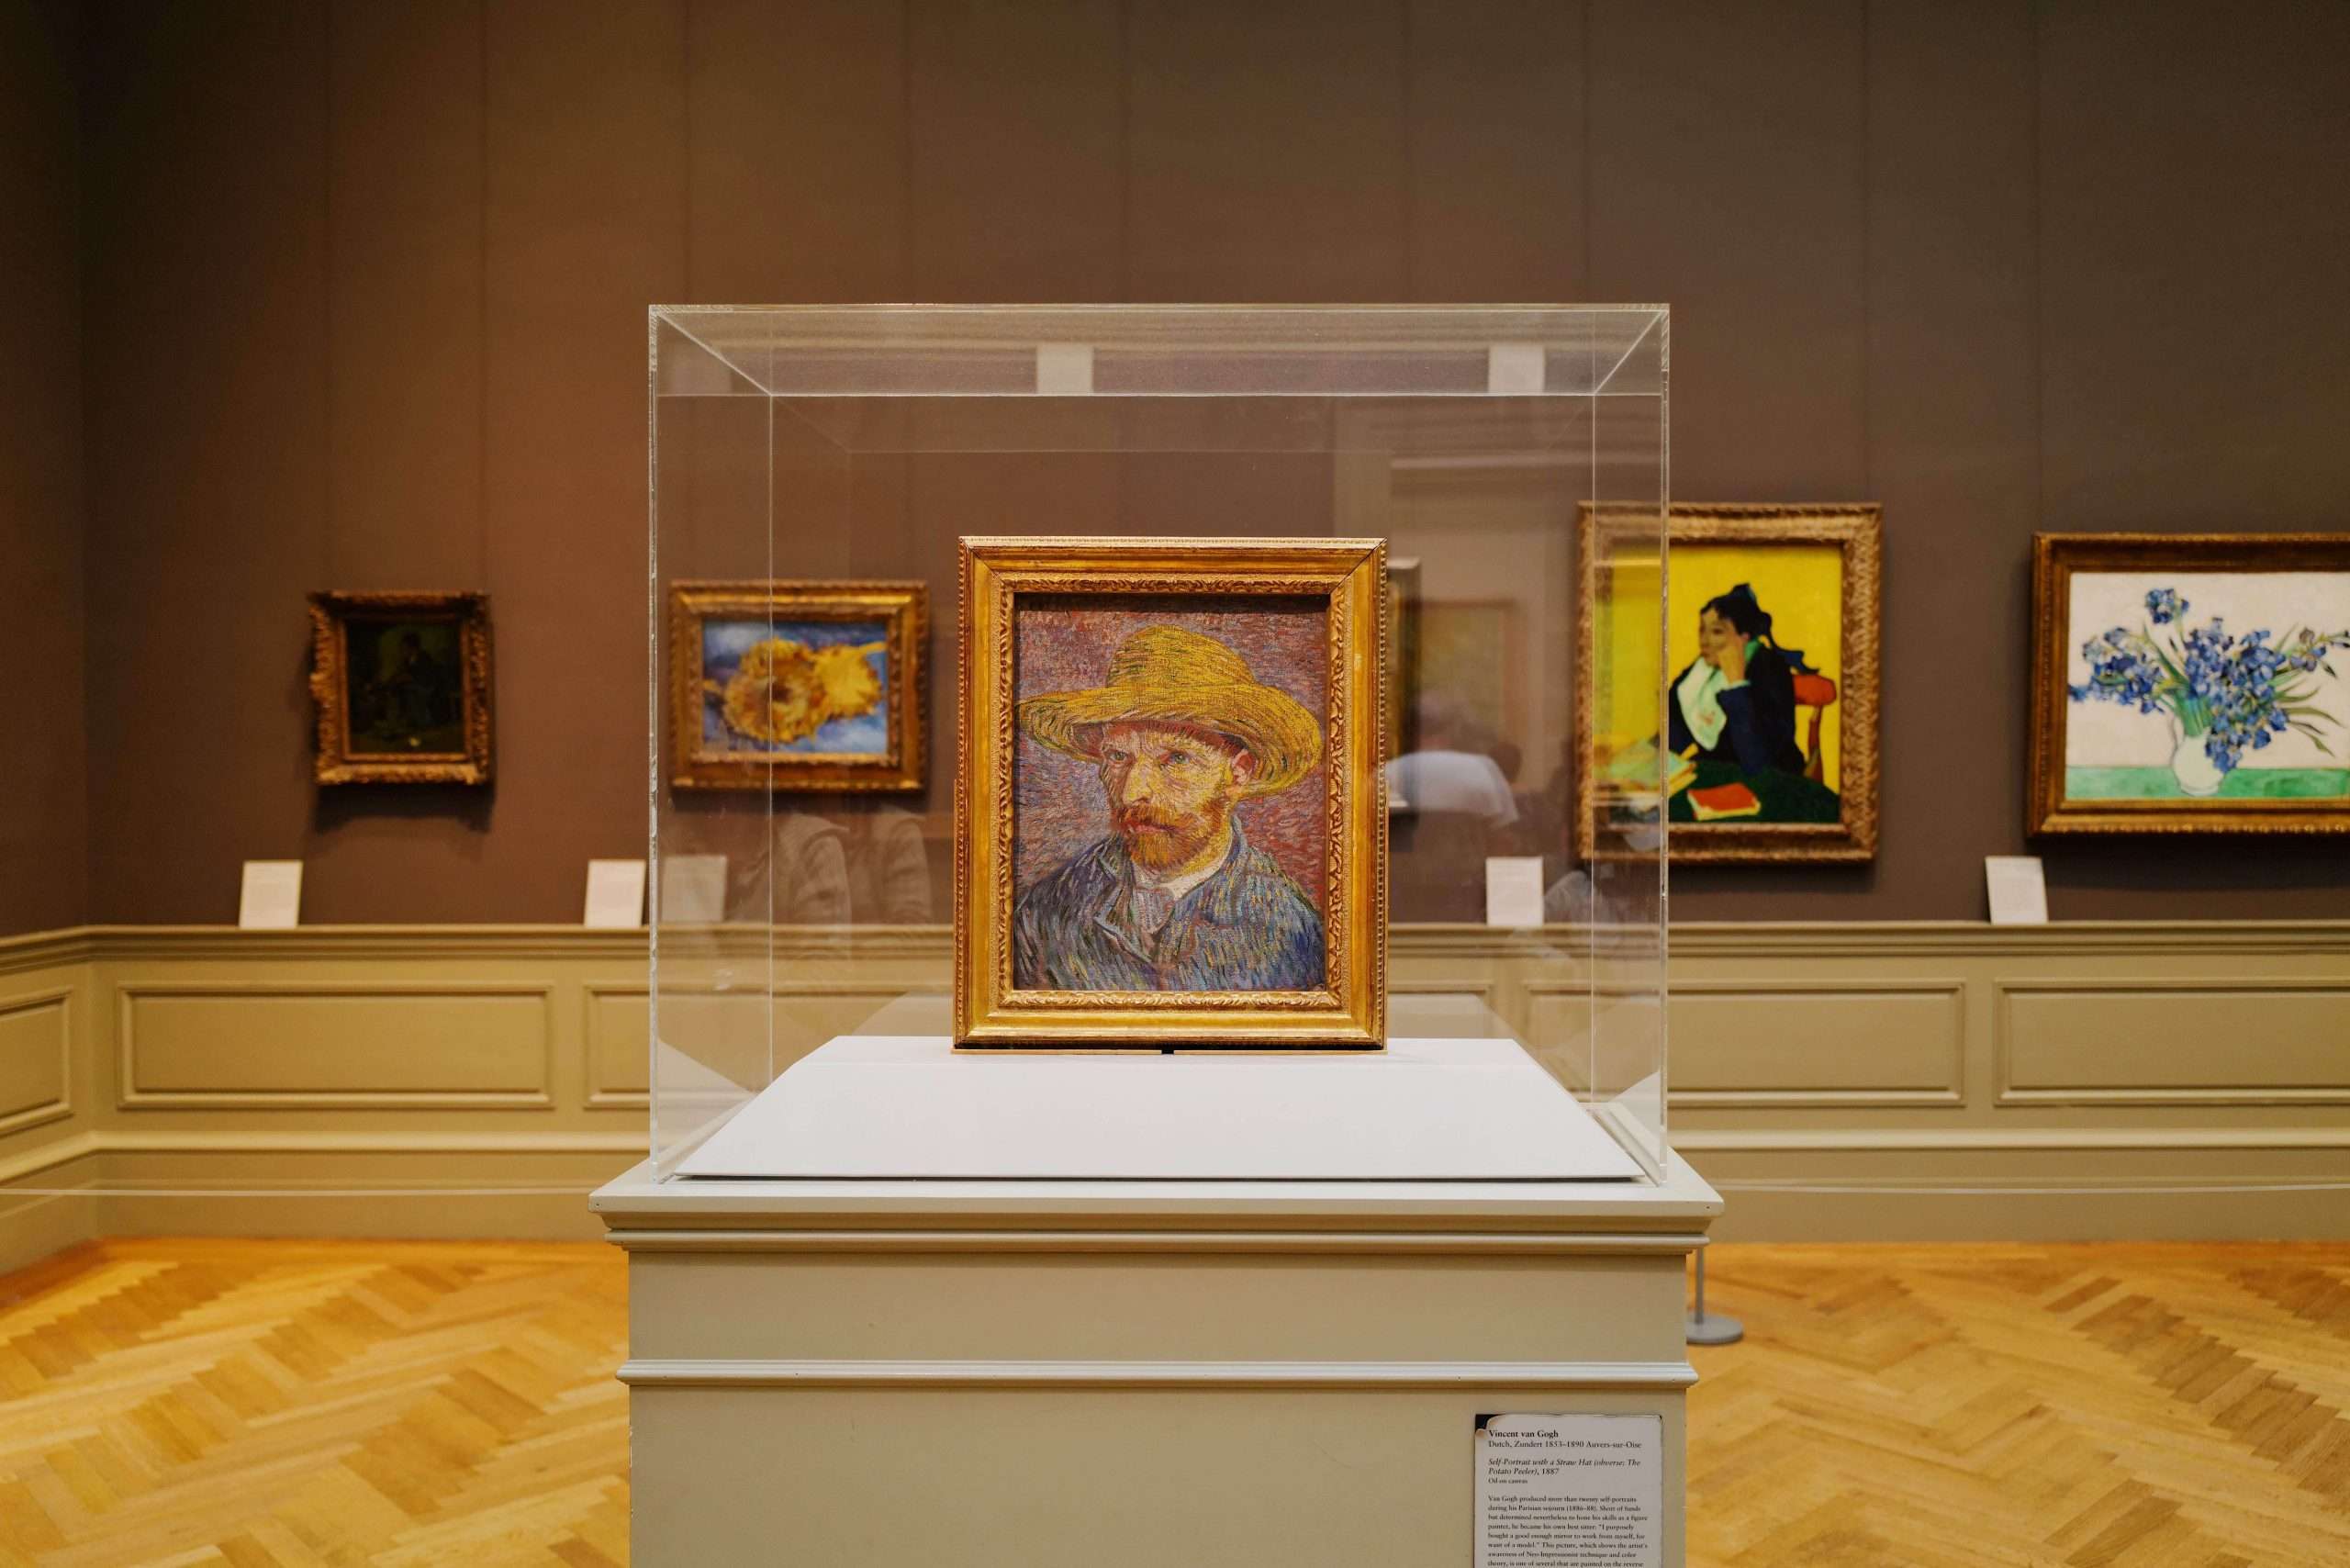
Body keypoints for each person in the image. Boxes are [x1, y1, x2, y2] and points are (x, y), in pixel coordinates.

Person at [1011, 624, 1325, 991]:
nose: (1132, 793)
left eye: (1175, 758)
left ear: (1238, 772)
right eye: (1118, 756)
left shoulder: (1290, 932)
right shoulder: (1046, 911)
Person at [1666, 584, 1810, 777]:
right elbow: (1674, 733)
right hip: (1719, 772)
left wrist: (1737, 684)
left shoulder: (1771, 668)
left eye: (1717, 632)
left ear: (1743, 638)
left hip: (1772, 775)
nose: (1704, 641)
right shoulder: (1701, 670)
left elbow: (1757, 761)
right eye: (1702, 630)